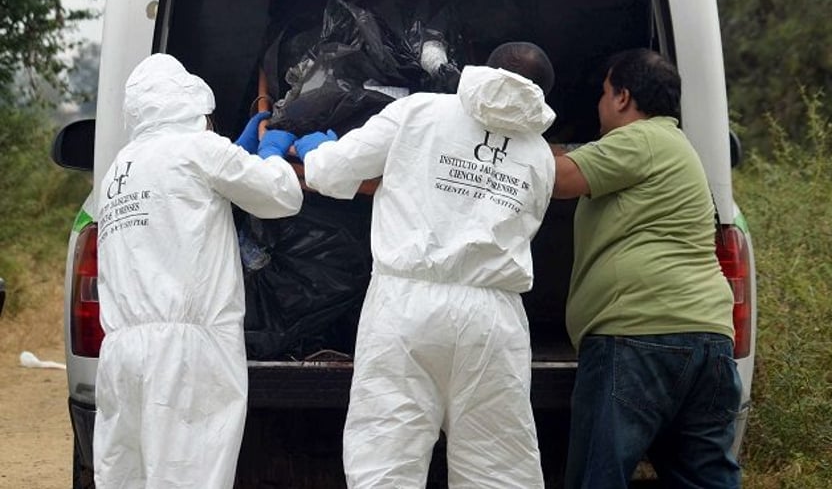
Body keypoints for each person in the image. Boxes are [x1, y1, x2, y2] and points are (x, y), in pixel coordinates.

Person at [292, 42, 557, 488]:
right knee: (498, 468)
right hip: (493, 320)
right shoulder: (541, 155)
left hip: (405, 305)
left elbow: (332, 173)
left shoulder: (418, 112)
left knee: (387, 457)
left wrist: (314, 148)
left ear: (482, 70)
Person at [93, 53, 304, 488]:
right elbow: (279, 197)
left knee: (125, 478)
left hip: (121, 356)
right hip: (186, 354)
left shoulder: (121, 168)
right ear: (191, 107)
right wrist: (270, 153)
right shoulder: (198, 149)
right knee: (187, 476)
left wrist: (231, 155)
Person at [552, 48, 741, 488]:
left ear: (622, 97)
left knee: (598, 477)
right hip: (705, 338)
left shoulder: (639, 140)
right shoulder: (670, 144)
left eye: (603, 93)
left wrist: (496, 148)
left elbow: (559, 180)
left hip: (639, 340)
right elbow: (577, 157)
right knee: (704, 478)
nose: (600, 104)